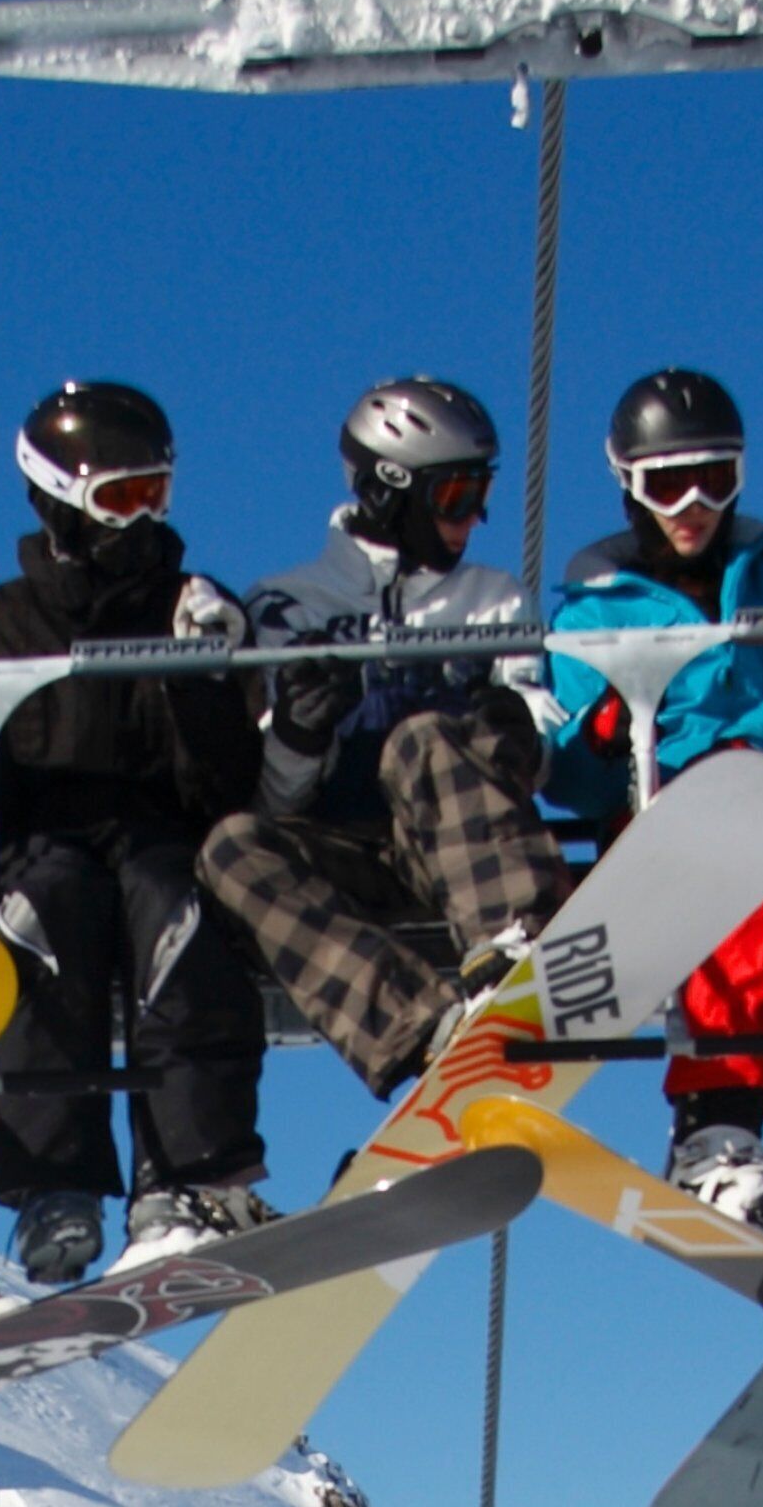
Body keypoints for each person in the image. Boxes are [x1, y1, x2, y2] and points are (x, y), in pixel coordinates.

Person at [542, 369, 763, 1237]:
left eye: (716, 478)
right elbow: (567, 770)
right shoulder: (592, 608)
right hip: (672, 823)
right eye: (668, 483)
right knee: (722, 819)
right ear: (629, 486)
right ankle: (718, 1116)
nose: (694, 504)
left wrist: (749, 747)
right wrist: (605, 737)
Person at [0, 381, 270, 1285]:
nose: (142, 521)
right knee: (44, 915)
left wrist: (207, 679)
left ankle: (187, 1177)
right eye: (122, 498)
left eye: (156, 495)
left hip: (158, 831)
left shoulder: (191, 604)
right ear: (60, 499)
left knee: (178, 912)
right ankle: (58, 1185)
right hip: (46, 838)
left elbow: (224, 785)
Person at [195, 377, 570, 1101]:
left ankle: (512, 957)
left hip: (458, 849)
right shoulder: (290, 604)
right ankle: (426, 1029)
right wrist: (301, 732)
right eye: (454, 497)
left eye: (479, 492)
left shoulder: (493, 600)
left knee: (422, 736)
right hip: (346, 855)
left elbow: (543, 722)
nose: (474, 519)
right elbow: (277, 796)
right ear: (387, 492)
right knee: (230, 847)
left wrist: (517, 734)